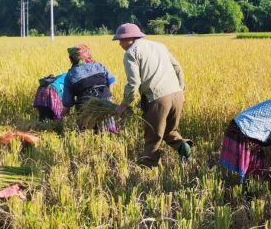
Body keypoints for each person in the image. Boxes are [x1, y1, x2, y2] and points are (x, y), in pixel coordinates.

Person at [112, 23, 192, 167]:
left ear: (130, 38)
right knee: (169, 130)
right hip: (177, 95)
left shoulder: (131, 53)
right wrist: (181, 89)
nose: (119, 44)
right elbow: (177, 68)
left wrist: (123, 105)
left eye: (121, 40)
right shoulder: (159, 45)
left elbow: (133, 83)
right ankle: (183, 147)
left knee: (152, 136)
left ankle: (147, 168)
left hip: (158, 99)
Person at [63, 44, 117, 133]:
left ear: (72, 59)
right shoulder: (98, 65)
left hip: (85, 104)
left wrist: (62, 115)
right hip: (105, 100)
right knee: (108, 131)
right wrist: (108, 98)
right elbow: (111, 80)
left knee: (87, 132)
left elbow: (67, 101)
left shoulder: (70, 75)